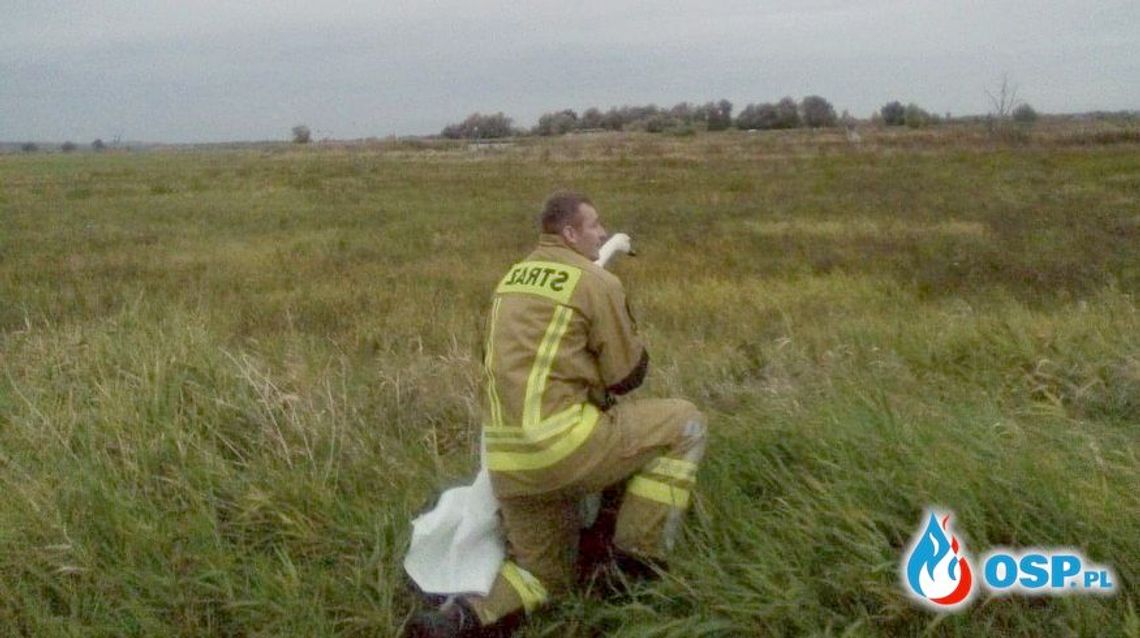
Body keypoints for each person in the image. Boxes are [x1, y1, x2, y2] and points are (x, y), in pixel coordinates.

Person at [406, 192, 708, 637]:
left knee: (545, 577)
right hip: (564, 448)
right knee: (686, 423)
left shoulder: (510, 280)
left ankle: (459, 620)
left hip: (507, 465)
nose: (602, 233)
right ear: (570, 233)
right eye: (594, 225)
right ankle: (634, 565)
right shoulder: (595, 281)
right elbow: (626, 375)